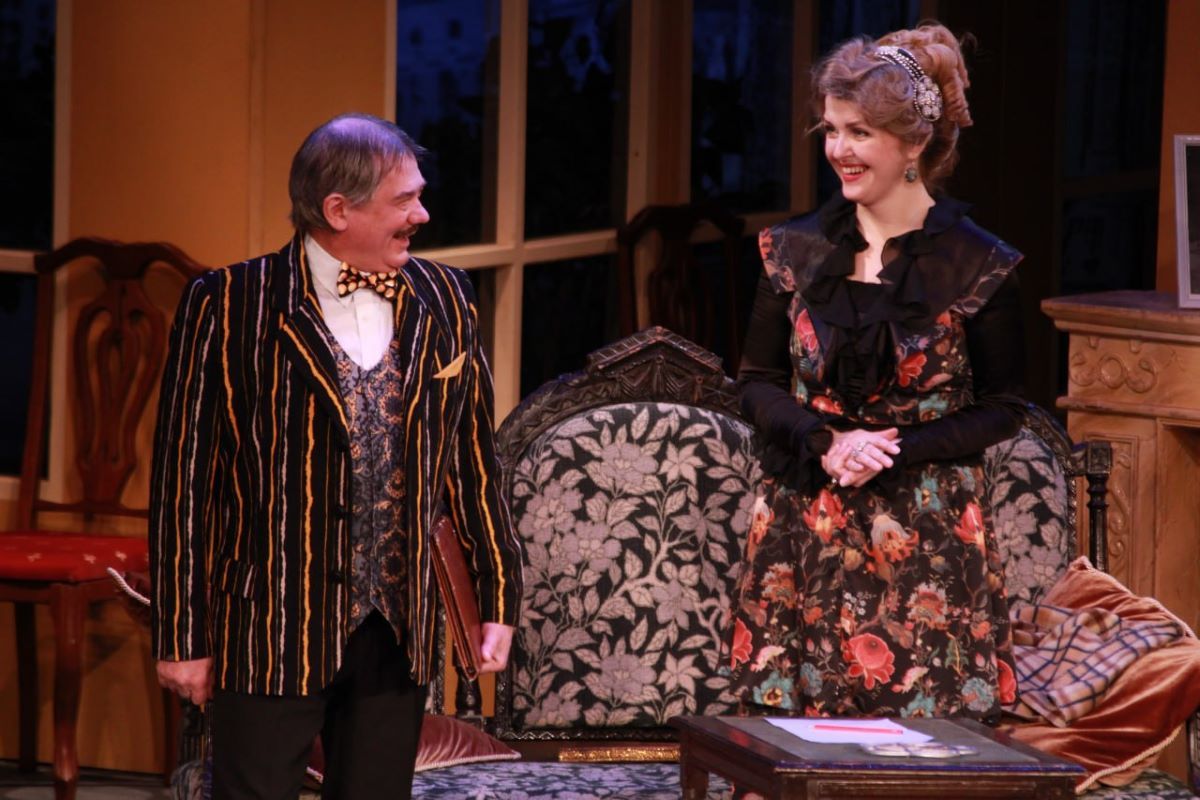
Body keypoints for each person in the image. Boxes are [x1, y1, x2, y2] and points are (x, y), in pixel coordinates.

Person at [149, 113, 523, 799]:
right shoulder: (228, 304)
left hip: (397, 628)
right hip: (271, 625)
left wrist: (495, 596)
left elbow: (473, 462)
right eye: (404, 200)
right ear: (338, 210)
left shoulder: (446, 297)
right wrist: (181, 635)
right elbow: (184, 483)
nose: (422, 215)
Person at [727, 24, 1024, 723]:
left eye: (859, 133)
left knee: (917, 752)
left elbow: (1005, 406)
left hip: (924, 537)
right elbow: (755, 380)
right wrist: (826, 441)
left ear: (913, 143)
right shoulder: (792, 249)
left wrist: (892, 447)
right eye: (831, 130)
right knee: (792, 749)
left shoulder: (979, 263)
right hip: (802, 529)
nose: (838, 150)